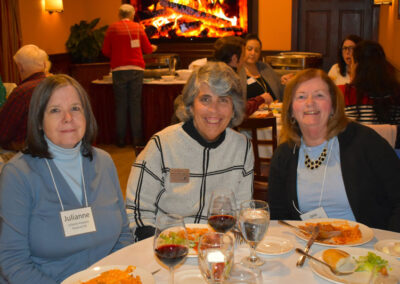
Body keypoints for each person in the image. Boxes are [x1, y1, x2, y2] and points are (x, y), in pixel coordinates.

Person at [0, 75, 133, 283]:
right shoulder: (18, 174)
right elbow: (12, 260)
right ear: (39, 121)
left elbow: (123, 235)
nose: (68, 118)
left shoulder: (104, 162)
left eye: (75, 108)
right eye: (55, 110)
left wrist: (118, 278)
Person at [126, 62, 254, 241]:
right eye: (205, 99)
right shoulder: (162, 145)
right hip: (170, 246)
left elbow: (242, 210)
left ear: (234, 109)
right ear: (191, 105)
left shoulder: (242, 147)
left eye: (223, 100)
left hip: (220, 245)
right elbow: (137, 211)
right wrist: (160, 246)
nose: (214, 110)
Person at [268, 68, 400, 232]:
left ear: (333, 106)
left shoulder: (364, 141)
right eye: (301, 96)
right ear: (291, 110)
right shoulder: (285, 154)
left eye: (319, 95)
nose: (310, 102)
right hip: (308, 247)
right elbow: (278, 216)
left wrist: (391, 243)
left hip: (366, 248)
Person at [102, 4, 157, 148]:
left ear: (119, 15)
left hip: (119, 69)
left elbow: (106, 51)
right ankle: (137, 140)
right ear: (132, 15)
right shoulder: (138, 27)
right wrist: (153, 48)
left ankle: (120, 140)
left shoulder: (112, 28)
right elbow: (147, 49)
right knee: (135, 104)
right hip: (136, 69)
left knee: (120, 105)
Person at [338, 40, 400, 125]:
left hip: (356, 138)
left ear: (357, 65)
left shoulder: (344, 93)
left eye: (352, 63)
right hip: (388, 138)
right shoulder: (396, 93)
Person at [0, 44, 48, 151]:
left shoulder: (22, 92)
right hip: (53, 147)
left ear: (20, 67)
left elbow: (3, 134)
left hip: (25, 151)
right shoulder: (56, 86)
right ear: (44, 65)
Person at [239, 34, 284, 116]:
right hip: (251, 117)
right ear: (243, 50)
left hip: (273, 113)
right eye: (249, 49)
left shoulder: (264, 67)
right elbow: (238, 103)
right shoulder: (238, 72)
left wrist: (284, 82)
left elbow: (279, 89)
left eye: (256, 50)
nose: (253, 53)